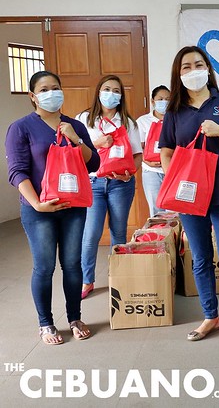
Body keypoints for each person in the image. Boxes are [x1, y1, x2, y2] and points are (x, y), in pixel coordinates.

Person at [159, 46, 219, 349]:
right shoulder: (174, 111)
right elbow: (166, 151)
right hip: (189, 196)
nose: (193, 71)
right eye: (186, 67)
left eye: (198, 64)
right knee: (200, 258)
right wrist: (176, 180)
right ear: (178, 74)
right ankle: (210, 317)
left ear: (208, 69)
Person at [5, 71, 100, 344]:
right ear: (33, 96)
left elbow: (93, 164)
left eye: (55, 88)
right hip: (39, 210)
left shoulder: (75, 126)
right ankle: (46, 323)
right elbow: (17, 172)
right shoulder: (21, 128)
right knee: (44, 266)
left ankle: (74, 318)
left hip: (73, 206)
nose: (51, 93)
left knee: (72, 264)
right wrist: (37, 204)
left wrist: (75, 139)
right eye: (44, 89)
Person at [76, 75, 142, 299]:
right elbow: (74, 150)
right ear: (98, 92)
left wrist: (129, 173)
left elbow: (138, 155)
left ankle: (118, 276)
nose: (111, 94)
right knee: (91, 234)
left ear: (121, 96)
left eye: (116, 90)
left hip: (120, 184)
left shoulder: (129, 123)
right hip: (93, 183)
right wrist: (97, 143)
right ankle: (86, 280)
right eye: (106, 89)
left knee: (119, 231)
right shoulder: (84, 119)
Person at [136, 85, 170, 217]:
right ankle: (158, 231)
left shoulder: (176, 119)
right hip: (151, 171)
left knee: (174, 208)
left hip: (173, 170)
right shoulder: (143, 121)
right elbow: (138, 147)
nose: (164, 102)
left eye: (167, 99)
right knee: (156, 210)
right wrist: (147, 161)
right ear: (152, 101)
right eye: (160, 99)